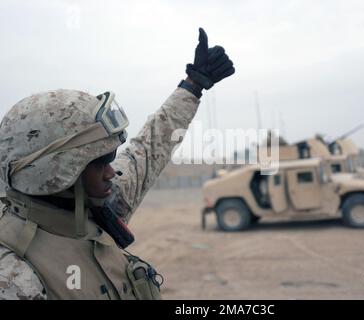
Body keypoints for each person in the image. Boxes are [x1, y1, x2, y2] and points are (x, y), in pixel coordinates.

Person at [0, 28, 234, 300]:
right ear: (55, 173)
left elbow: (148, 149)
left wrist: (192, 86)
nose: (112, 172)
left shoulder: (95, 209)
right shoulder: (13, 276)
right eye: (100, 162)